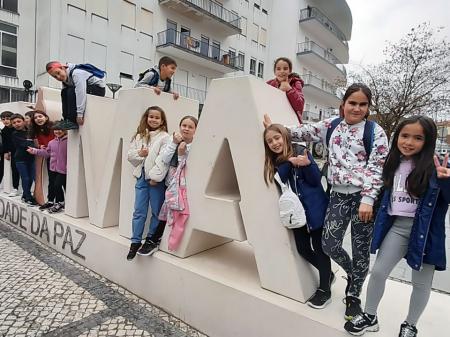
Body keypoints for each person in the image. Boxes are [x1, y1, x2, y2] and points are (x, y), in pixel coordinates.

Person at [264, 83, 389, 320]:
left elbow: (376, 167)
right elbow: (302, 131)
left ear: (368, 107)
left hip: (364, 199)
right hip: (338, 195)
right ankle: (352, 273)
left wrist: (368, 198)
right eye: (353, 103)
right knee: (329, 244)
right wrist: (275, 129)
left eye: (363, 104)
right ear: (343, 105)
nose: (357, 108)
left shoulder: (375, 132)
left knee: (361, 250)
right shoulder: (331, 126)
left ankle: (353, 296)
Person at [344, 116, 450, 337]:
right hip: (398, 227)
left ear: (428, 140)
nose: (409, 142)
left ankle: (410, 324)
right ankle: (370, 316)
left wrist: (445, 181)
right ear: (397, 137)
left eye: (418, 138)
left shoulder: (436, 167)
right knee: (379, 272)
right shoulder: (391, 162)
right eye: (405, 136)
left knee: (420, 283)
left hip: (426, 233)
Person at [263, 123, 332, 309]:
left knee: (320, 249)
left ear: (285, 136)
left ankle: (325, 289)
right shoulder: (276, 161)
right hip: (297, 214)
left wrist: (307, 165)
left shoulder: (301, 151)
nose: (274, 143)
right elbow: (279, 180)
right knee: (302, 248)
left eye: (277, 138)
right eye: (270, 141)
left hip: (315, 210)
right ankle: (328, 274)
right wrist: (288, 162)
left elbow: (316, 180)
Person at [126, 106, 170, 260]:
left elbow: (163, 161)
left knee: (157, 211)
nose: (153, 119)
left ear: (162, 120)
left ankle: (151, 239)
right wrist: (140, 154)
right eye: (151, 116)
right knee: (139, 210)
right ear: (146, 117)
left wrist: (155, 178)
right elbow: (130, 156)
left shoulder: (165, 137)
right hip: (141, 177)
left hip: (155, 181)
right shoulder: (139, 136)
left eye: (157, 117)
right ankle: (135, 241)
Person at [155, 115, 198, 251]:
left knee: (174, 212)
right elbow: (165, 159)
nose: (186, 129)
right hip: (170, 184)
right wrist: (174, 143)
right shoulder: (172, 140)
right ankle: (156, 237)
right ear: (180, 127)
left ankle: (164, 239)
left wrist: (182, 152)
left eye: (190, 127)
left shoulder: (195, 145)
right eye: (184, 125)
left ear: (195, 130)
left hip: (183, 186)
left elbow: (188, 165)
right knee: (164, 210)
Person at [46, 61, 106, 130]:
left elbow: (81, 93)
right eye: (55, 77)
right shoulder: (65, 79)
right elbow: (64, 97)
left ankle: (72, 121)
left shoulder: (77, 73)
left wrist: (80, 114)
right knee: (64, 92)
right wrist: (65, 117)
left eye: (58, 73)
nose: (58, 77)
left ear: (63, 68)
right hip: (86, 89)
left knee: (71, 90)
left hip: (98, 89)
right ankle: (67, 120)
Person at [27, 126, 67, 213]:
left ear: (65, 130)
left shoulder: (69, 142)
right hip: (53, 169)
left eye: (60, 129)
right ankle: (53, 202)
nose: (58, 131)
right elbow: (47, 153)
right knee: (52, 185)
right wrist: (35, 151)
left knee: (58, 185)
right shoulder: (51, 142)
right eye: (56, 130)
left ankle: (61, 202)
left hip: (63, 169)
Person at [29, 111, 55, 210]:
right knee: (51, 180)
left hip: (60, 157)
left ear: (46, 117)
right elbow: (38, 144)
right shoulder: (36, 130)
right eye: (35, 118)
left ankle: (61, 201)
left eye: (40, 116)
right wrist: (40, 146)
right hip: (49, 157)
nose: (38, 119)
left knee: (60, 181)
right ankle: (51, 201)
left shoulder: (54, 127)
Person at [266, 57, 305, 123]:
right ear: (275, 72)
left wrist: (289, 89)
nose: (282, 71)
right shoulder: (269, 84)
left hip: (290, 122)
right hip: (273, 120)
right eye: (278, 69)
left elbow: (300, 106)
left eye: (285, 68)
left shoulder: (295, 83)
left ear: (290, 71)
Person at [10, 114, 37, 205]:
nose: (17, 124)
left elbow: (31, 142)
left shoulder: (30, 131)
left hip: (31, 159)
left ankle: (25, 195)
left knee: (32, 178)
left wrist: (31, 142)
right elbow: (25, 144)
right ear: (12, 125)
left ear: (23, 121)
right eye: (14, 123)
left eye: (18, 121)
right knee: (25, 178)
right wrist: (32, 142)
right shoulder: (15, 134)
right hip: (20, 160)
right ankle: (28, 197)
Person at [1, 111, 20, 196]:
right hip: (13, 153)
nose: (6, 121)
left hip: (23, 152)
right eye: (3, 119)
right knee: (14, 170)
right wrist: (6, 151)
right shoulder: (4, 130)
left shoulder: (17, 128)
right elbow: (5, 142)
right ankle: (15, 188)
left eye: (8, 119)